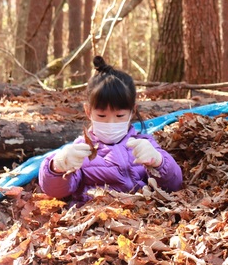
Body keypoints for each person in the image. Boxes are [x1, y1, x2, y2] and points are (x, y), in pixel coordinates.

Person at [39, 56, 182, 206]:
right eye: (102, 115)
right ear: (88, 111)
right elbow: (56, 191)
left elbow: (174, 184)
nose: (110, 122)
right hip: (97, 218)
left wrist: (158, 162)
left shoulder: (144, 144)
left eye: (120, 116)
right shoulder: (80, 152)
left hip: (142, 217)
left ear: (132, 112)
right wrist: (57, 167)